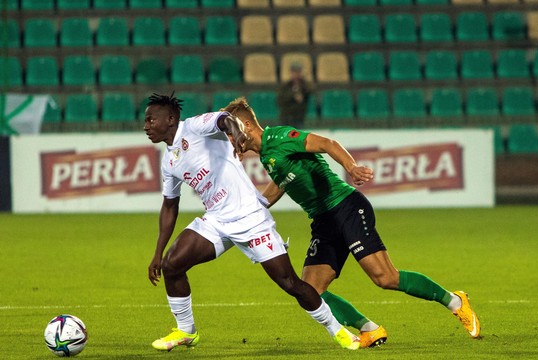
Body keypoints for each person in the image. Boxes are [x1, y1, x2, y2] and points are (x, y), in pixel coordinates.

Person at [221, 97, 481, 348]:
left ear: (245, 127)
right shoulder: (267, 155)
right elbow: (282, 181)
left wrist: (351, 167)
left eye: (231, 133)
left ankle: (455, 301)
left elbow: (327, 143)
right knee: (310, 290)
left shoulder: (279, 137)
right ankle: (369, 329)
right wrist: (256, 208)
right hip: (323, 220)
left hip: (346, 207)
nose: (230, 140)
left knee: (385, 277)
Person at [142, 92, 361, 352]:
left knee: (290, 283)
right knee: (172, 264)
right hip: (217, 220)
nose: (146, 126)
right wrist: (157, 252)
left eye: (150, 120)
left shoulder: (195, 127)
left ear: (170, 119)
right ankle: (186, 331)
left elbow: (225, 120)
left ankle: (338, 330)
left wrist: (238, 133)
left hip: (251, 218)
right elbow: (169, 206)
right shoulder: (169, 161)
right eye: (145, 122)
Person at [276, 62, 312, 129]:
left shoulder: (304, 86)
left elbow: (311, 91)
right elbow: (280, 101)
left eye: (298, 72)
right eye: (294, 72)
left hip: (299, 117)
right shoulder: (285, 86)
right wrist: (293, 96)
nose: (296, 75)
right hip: (286, 117)